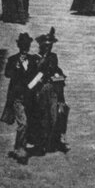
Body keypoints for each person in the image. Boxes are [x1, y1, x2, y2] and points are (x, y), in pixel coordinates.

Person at [28, 28, 69, 156]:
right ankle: (40, 142)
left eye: (50, 46)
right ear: (41, 46)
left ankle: (54, 140)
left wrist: (58, 78)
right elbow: (35, 74)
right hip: (39, 89)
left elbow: (57, 72)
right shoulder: (35, 58)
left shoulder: (53, 57)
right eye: (46, 46)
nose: (48, 48)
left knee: (55, 115)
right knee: (41, 116)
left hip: (52, 89)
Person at [2, 32, 39, 164]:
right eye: (23, 45)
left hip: (29, 97)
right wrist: (16, 68)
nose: (25, 47)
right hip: (17, 97)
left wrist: (33, 85)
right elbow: (7, 74)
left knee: (30, 123)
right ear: (19, 45)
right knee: (23, 123)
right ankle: (19, 148)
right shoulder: (12, 60)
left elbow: (38, 75)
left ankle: (24, 144)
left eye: (27, 45)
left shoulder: (34, 60)